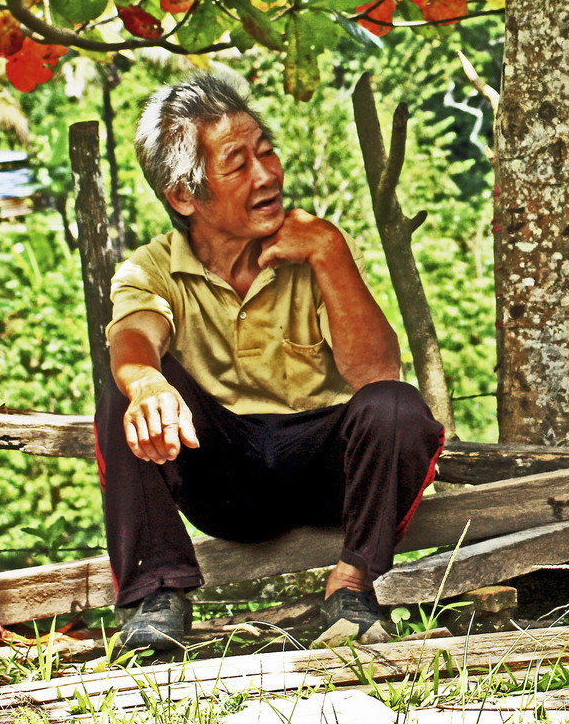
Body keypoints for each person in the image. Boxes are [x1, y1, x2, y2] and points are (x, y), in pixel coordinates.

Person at [98, 72, 444, 650]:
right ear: (184, 195)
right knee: (122, 396)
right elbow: (134, 334)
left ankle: (353, 587)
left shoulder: (313, 248)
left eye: (266, 151)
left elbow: (377, 376)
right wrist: (145, 383)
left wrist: (332, 254)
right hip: (224, 481)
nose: (267, 174)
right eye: (238, 163)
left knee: (398, 408)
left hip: (328, 476)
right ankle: (156, 594)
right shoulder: (151, 267)